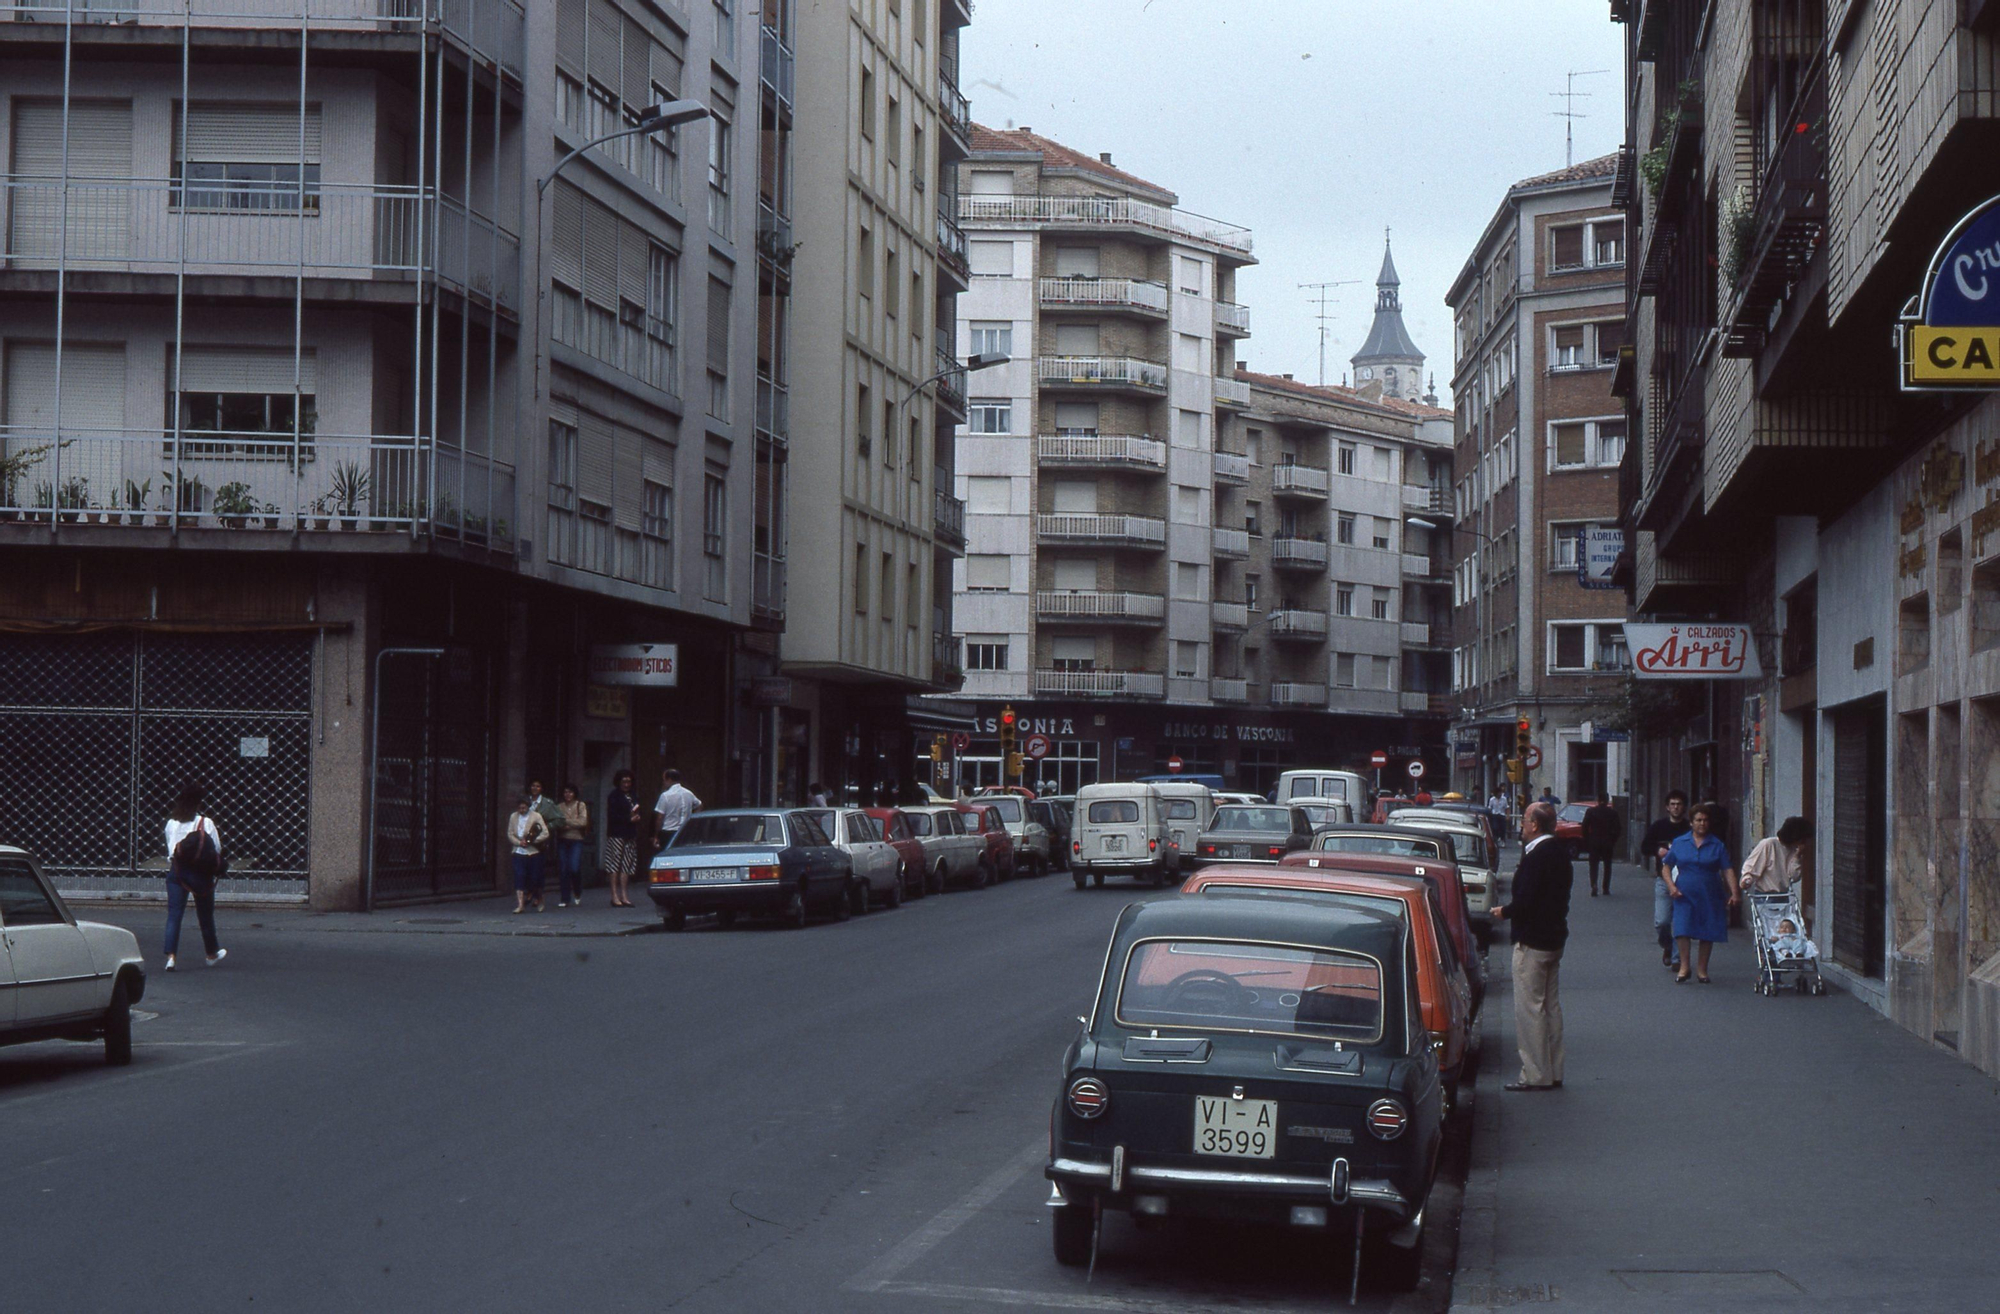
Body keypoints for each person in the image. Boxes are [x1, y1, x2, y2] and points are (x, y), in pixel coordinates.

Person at [1494, 801, 1571, 1092]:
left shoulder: (1536, 855)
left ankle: (1536, 1074)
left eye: (1525, 820)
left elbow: (1526, 900)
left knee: (1530, 1009)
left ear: (1535, 825)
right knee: (1550, 1008)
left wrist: (1505, 912)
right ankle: (1554, 1070)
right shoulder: (1561, 853)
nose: (1522, 825)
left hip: (1533, 941)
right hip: (1554, 939)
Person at [1665, 801, 1738, 984]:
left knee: (1707, 931)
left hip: (1710, 892)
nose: (1702, 824)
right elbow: (1666, 866)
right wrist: (1671, 886)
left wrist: (1735, 892)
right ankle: (1684, 967)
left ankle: (1702, 970)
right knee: (1682, 929)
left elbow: (1727, 869)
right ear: (1691, 822)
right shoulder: (1680, 842)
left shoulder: (1717, 845)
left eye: (1705, 820)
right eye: (1698, 820)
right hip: (1684, 893)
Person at [162, 783, 228, 972]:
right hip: (200, 874)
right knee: (205, 915)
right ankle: (211, 953)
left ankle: (171, 957)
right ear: (198, 802)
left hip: (177, 872)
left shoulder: (171, 823)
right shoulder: (205, 823)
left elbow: (171, 850)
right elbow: (216, 849)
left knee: (174, 914)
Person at [1640, 791, 1691, 971]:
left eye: (1679, 804)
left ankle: (1677, 959)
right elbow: (1644, 847)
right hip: (1663, 879)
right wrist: (1657, 850)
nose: (1676, 807)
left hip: (1685, 880)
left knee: (1680, 921)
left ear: (1684, 807)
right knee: (1662, 921)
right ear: (1667, 807)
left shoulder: (1689, 828)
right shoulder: (1658, 827)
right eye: (1672, 804)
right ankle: (1667, 945)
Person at [1740, 816, 1810, 897]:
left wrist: (1797, 856)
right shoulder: (1768, 844)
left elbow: (1794, 877)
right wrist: (1747, 879)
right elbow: (1753, 864)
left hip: (1783, 895)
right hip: (1764, 895)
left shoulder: (1794, 850)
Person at [602, 770, 642, 908]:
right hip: (617, 833)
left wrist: (636, 818)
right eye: (624, 781)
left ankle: (624, 895)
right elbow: (613, 816)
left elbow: (637, 810)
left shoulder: (633, 796)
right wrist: (628, 818)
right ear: (619, 782)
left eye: (629, 781)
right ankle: (614, 895)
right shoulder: (614, 796)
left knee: (627, 863)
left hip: (630, 833)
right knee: (615, 862)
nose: (626, 784)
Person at [505, 795, 551, 913]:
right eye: (520, 808)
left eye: (524, 808)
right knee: (519, 875)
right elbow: (510, 834)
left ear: (528, 807)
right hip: (519, 851)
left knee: (534, 877)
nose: (522, 810)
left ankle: (539, 897)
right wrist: (519, 842)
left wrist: (532, 841)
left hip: (533, 851)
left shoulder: (536, 816)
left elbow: (545, 833)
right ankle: (520, 904)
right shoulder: (513, 817)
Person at [554, 783, 590, 908]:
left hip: (576, 839)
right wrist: (571, 823)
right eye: (565, 792)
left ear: (574, 793)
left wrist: (566, 822)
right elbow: (557, 822)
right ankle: (565, 898)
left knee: (574, 867)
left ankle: (577, 889)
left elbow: (583, 821)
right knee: (563, 868)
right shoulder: (559, 807)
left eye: (570, 792)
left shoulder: (580, 805)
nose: (567, 795)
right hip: (563, 839)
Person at [527, 779, 563, 898]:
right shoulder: (525, 801)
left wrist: (547, 827)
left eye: (538, 786)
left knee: (538, 868)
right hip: (526, 839)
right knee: (527, 867)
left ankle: (538, 894)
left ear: (541, 789)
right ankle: (529, 892)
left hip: (540, 840)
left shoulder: (548, 803)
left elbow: (560, 819)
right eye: (533, 785)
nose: (535, 788)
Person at [1581, 797, 1620, 897]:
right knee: (1607, 865)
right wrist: (1613, 840)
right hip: (1607, 841)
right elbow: (1618, 828)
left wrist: (1587, 840)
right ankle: (1605, 887)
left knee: (1593, 865)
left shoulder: (1591, 811)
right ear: (1607, 801)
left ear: (1598, 801)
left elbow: (1585, 826)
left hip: (1594, 841)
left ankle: (1594, 884)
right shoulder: (1613, 813)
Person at [654, 768, 701, 850]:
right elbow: (699, 805)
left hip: (668, 832)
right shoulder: (688, 793)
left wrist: (656, 835)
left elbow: (660, 817)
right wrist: (692, 818)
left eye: (664, 780)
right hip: (685, 831)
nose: (663, 783)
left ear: (669, 779)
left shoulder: (665, 796)